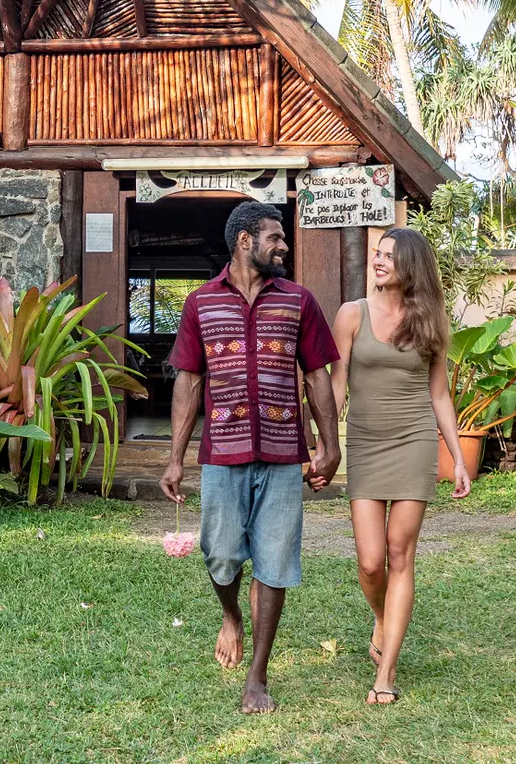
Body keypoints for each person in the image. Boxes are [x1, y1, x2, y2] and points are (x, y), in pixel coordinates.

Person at [160, 201, 341, 715]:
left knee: (276, 562)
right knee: (220, 555)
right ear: (244, 241)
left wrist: (330, 446)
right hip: (222, 454)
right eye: (274, 238)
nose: (283, 246)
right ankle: (232, 615)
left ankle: (257, 675)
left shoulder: (299, 301)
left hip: (285, 455)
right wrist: (176, 458)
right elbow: (189, 382)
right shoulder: (200, 304)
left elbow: (317, 377)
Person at [330, 227, 471, 707]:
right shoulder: (351, 315)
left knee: (399, 552)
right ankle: (383, 616)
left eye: (389, 255)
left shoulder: (429, 321)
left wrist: (456, 458)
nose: (379, 260)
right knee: (370, 562)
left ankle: (386, 671)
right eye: (378, 253)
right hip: (366, 443)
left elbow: (439, 395)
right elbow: (336, 385)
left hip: (414, 442)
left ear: (410, 266)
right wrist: (325, 442)